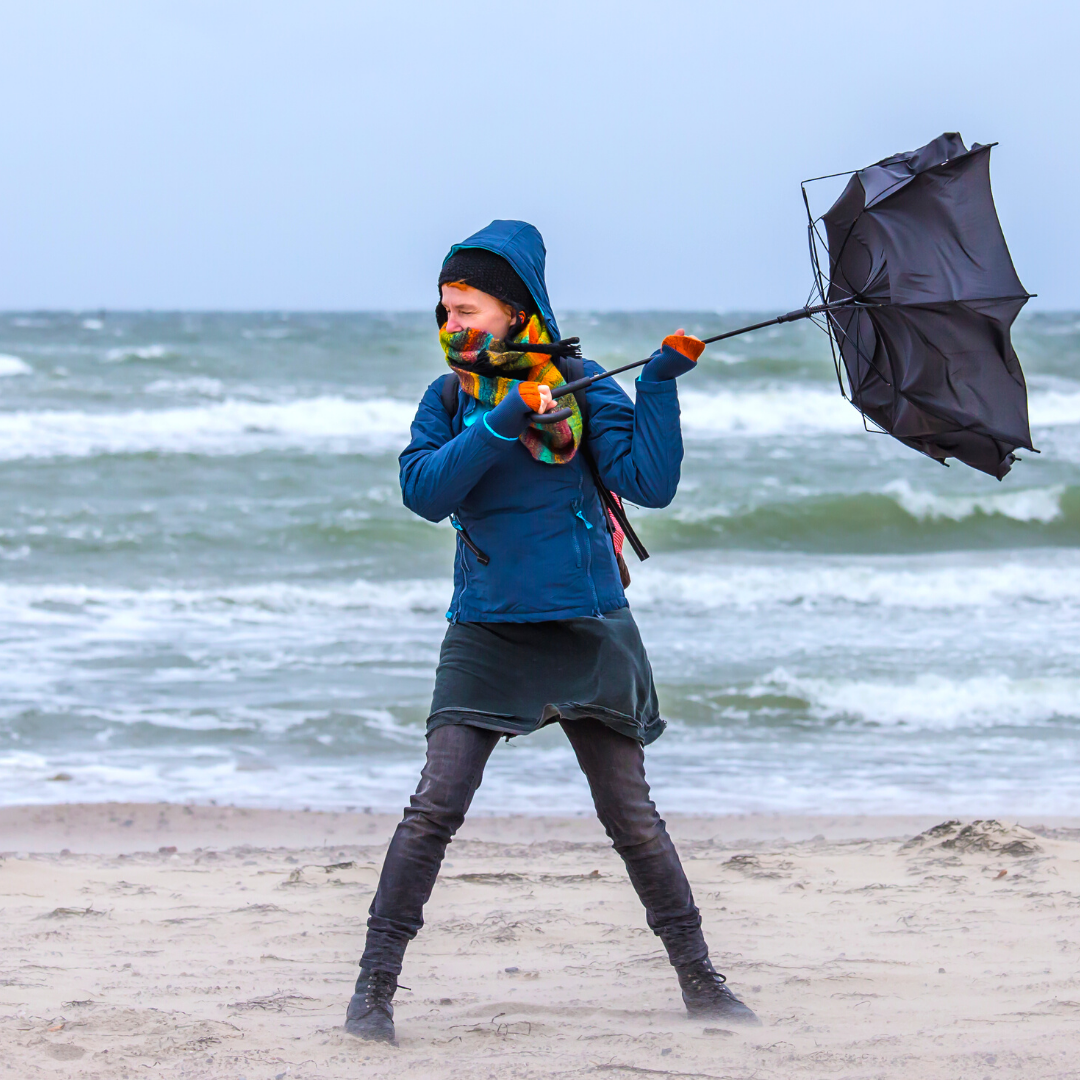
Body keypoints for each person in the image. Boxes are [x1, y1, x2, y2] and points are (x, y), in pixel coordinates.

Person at [345, 220, 760, 1043]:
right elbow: (424, 492)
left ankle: (702, 983)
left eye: (466, 309)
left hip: (587, 626)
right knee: (433, 810)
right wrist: (500, 418)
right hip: (490, 629)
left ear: (512, 308)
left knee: (632, 819)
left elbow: (649, 483)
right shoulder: (453, 396)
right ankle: (372, 995)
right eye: (444, 308)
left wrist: (663, 385)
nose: (451, 324)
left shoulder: (580, 381)